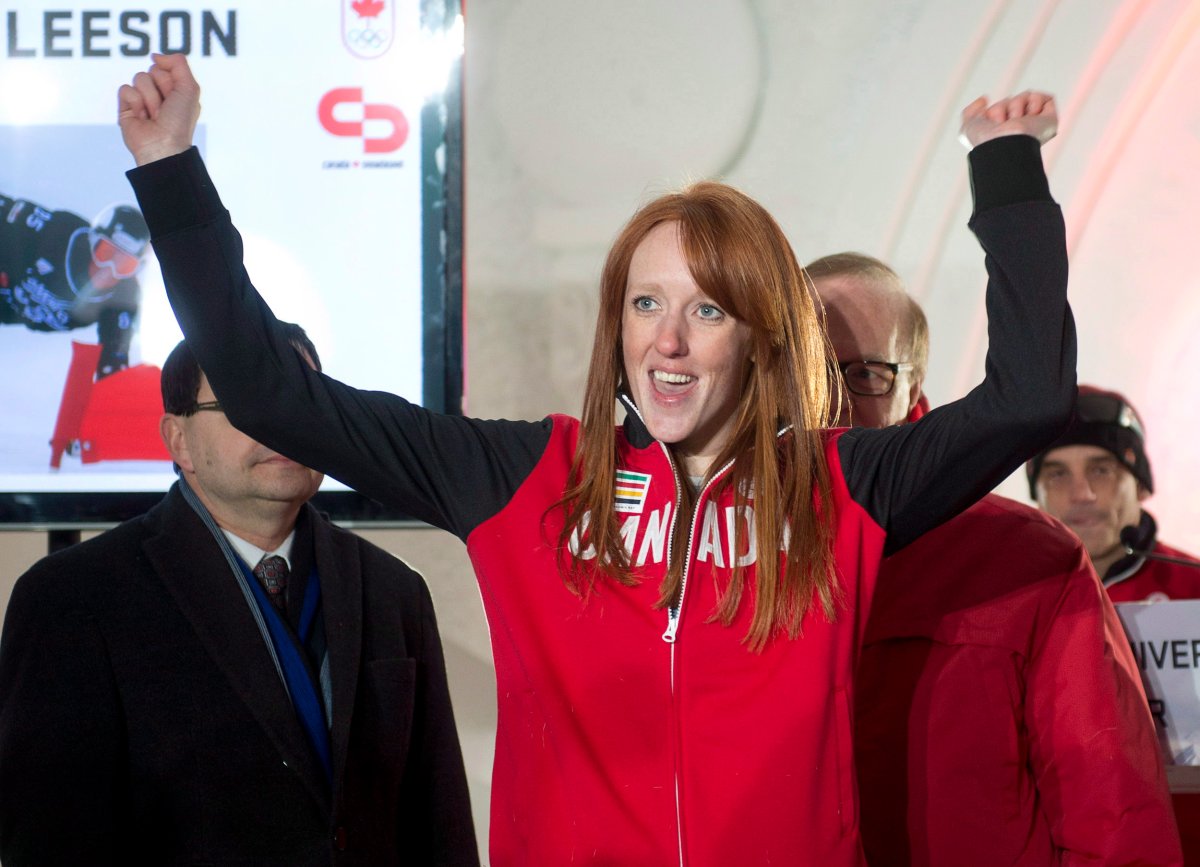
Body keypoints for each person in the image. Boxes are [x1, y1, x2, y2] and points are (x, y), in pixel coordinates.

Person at [119, 53, 1073, 866]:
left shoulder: (839, 491)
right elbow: (269, 388)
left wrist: (1007, 175)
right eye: (645, 304)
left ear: (762, 339)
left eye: (706, 310)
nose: (667, 340)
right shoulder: (524, 481)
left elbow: (1030, 396)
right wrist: (171, 173)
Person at [0, 328, 478, 866]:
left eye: (302, 399)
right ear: (178, 439)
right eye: (246, 400)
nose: (280, 422)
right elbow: (50, 843)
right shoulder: (71, 599)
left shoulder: (394, 590)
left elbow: (441, 826)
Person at [811, 252, 1181, 866]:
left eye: (864, 375)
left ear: (916, 396)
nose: (827, 400)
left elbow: (1113, 817)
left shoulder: (1029, 561)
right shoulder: (701, 554)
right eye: (804, 368)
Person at [1028, 385, 1200, 601]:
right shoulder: (997, 598)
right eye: (1058, 475)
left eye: (1101, 471)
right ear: (1037, 496)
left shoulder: (1195, 591)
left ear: (1141, 486)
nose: (1082, 494)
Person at [0, 194, 149, 377]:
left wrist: (111, 385)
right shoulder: (59, 232)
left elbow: (115, 356)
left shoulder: (124, 298)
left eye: (125, 265)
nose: (109, 269)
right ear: (93, 240)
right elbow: (9, 212)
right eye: (106, 253)